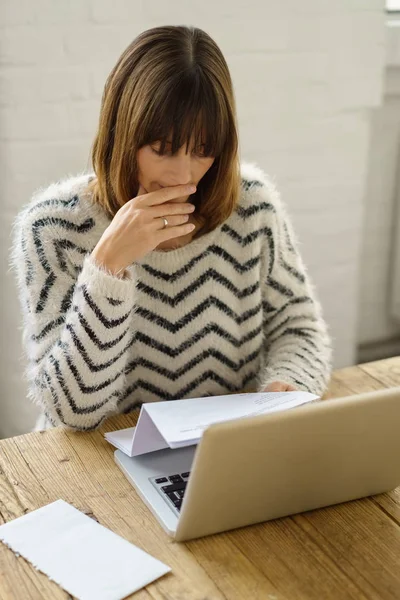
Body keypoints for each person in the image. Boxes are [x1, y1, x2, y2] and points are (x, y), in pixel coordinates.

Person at [11, 25, 332, 431]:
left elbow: (298, 326)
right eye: (162, 149)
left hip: (224, 452)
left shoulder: (252, 205)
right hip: (95, 466)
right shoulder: (53, 229)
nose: (184, 176)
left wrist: (288, 385)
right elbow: (73, 412)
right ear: (121, 132)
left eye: (203, 151)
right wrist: (107, 267)